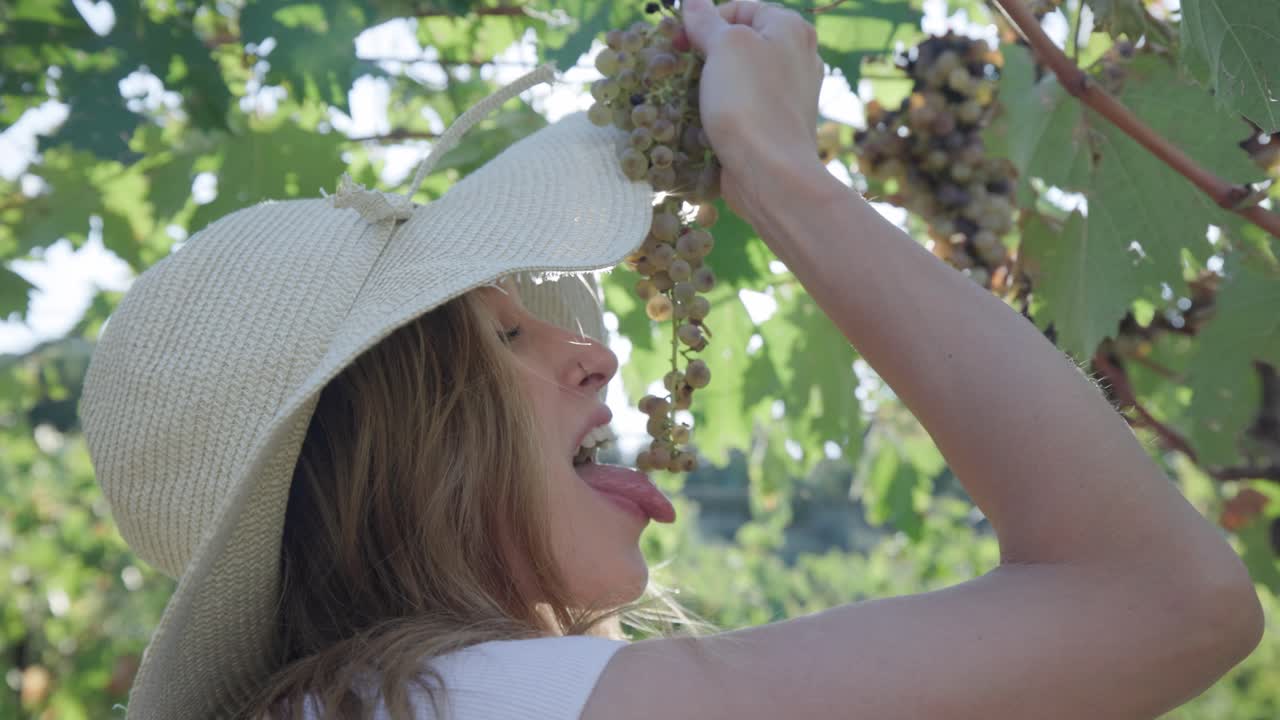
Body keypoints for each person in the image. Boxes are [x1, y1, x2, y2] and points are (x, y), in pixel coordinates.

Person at [77, 0, 1263, 718]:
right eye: (502, 336)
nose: (593, 354)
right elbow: (1165, 601)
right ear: (392, 446)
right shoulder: (442, 706)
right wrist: (781, 178)